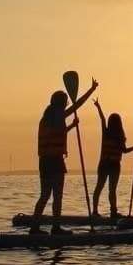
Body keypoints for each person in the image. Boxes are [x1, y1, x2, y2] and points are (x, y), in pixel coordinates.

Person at [29, 77, 98, 234]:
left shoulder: (46, 118)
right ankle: (56, 227)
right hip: (55, 162)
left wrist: (72, 126)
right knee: (57, 196)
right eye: (65, 102)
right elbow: (77, 105)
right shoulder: (58, 115)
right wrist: (91, 90)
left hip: (44, 162)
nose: (67, 104)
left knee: (45, 195)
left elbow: (57, 133)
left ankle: (35, 227)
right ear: (61, 103)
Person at [91, 99, 133, 219]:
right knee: (108, 189)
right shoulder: (110, 134)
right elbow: (125, 151)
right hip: (110, 164)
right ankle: (103, 212)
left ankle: (101, 211)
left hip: (109, 164)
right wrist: (98, 107)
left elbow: (124, 150)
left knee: (103, 188)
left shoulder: (114, 135)